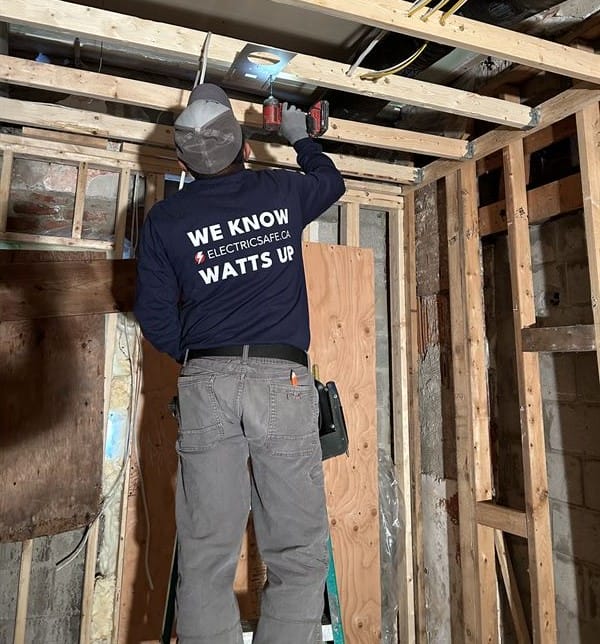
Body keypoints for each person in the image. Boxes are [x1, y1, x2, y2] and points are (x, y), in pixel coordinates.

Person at [134, 83, 345, 644]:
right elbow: (331, 184)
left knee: (204, 558)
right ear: (245, 150)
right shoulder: (279, 189)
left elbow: (153, 315)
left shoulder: (163, 220)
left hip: (206, 382)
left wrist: (200, 359)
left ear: (182, 163)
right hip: (283, 379)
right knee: (297, 556)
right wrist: (302, 140)